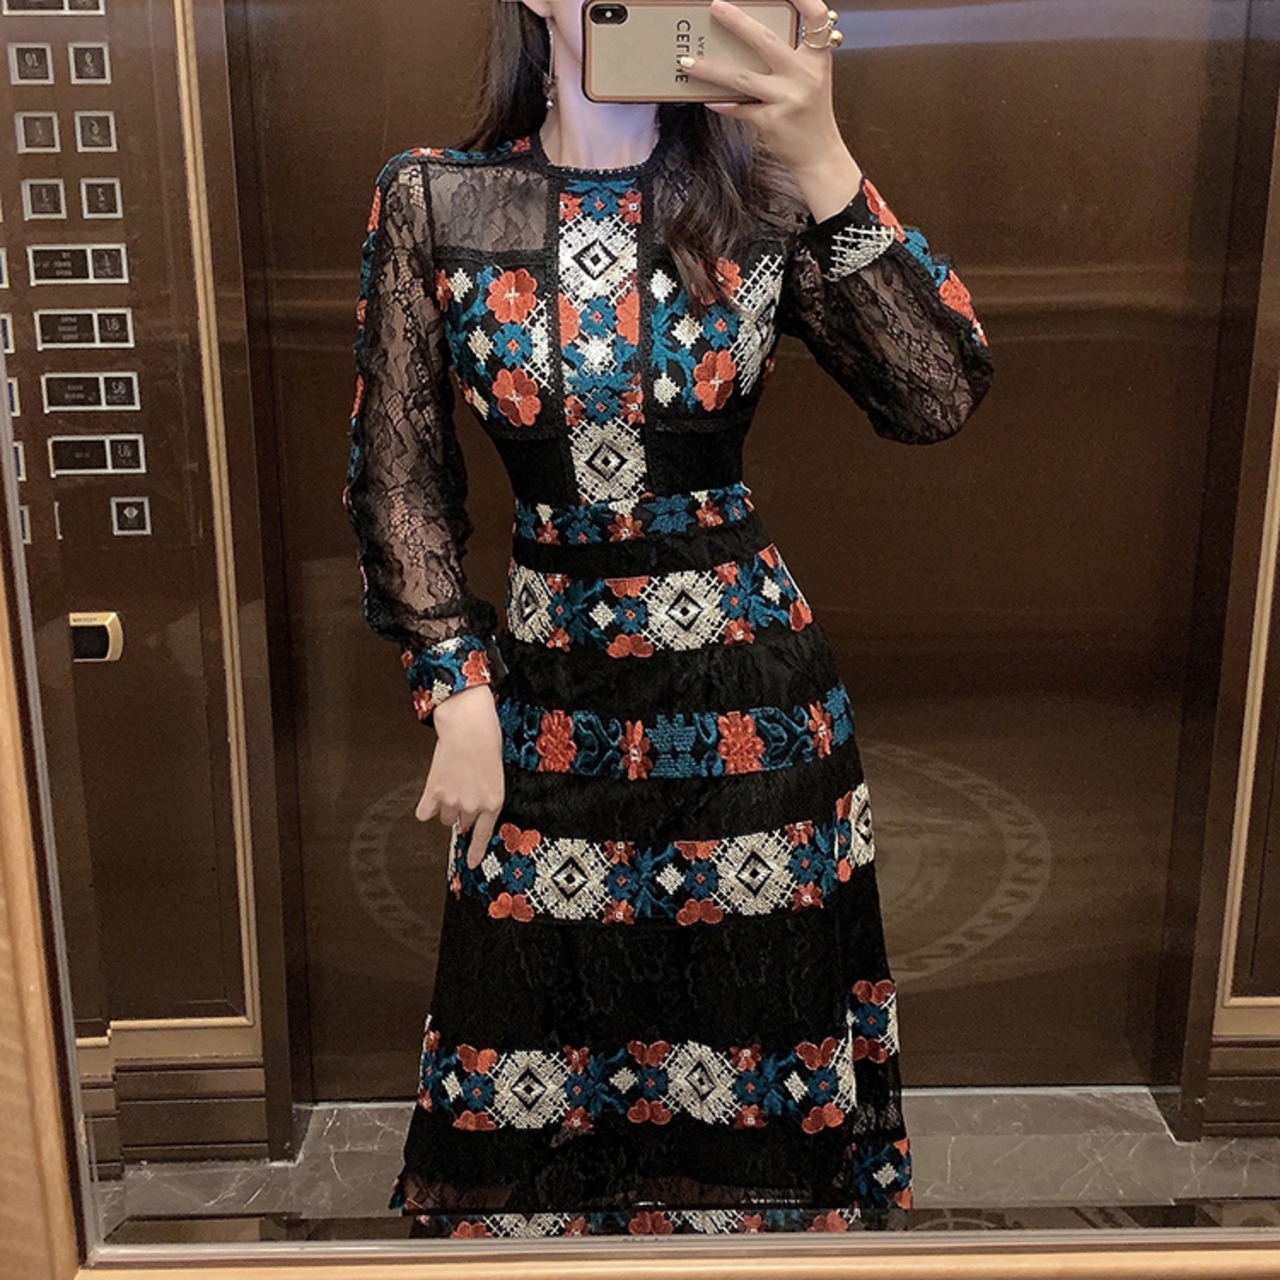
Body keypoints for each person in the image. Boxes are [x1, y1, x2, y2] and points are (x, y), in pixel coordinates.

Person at [343, 0, 993, 1240]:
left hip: (753, 718)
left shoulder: (758, 194)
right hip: (541, 707)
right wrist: (454, 681)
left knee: (751, 1065)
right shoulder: (436, 199)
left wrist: (820, 155)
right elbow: (399, 470)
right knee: (532, 1060)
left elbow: (935, 392)